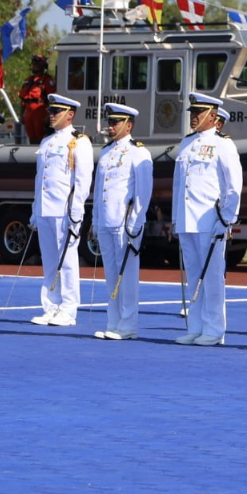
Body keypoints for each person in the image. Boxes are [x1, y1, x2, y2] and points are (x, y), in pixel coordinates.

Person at [171, 92, 242, 346]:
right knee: (193, 276)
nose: (193, 117)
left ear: (213, 116)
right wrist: (176, 218)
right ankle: (196, 326)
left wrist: (225, 220)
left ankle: (214, 329)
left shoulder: (223, 144)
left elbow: (232, 186)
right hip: (187, 220)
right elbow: (179, 185)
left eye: (198, 113)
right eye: (192, 112)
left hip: (209, 220)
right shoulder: (186, 143)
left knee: (212, 277)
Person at [29, 94, 93, 327]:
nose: (52, 114)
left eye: (57, 111)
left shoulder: (79, 141)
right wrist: (36, 210)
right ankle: (51, 306)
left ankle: (68, 308)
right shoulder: (46, 141)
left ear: (70, 114)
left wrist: (76, 212)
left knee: (67, 260)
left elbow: (82, 181)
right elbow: (40, 179)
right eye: (51, 111)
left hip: (64, 210)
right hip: (46, 209)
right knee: (49, 260)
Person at [91, 103, 153, 340]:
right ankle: (113, 322)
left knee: (126, 275)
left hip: (125, 222)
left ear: (128, 125)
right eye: (110, 121)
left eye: (116, 122)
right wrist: (96, 222)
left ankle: (128, 325)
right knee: (110, 273)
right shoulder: (106, 152)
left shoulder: (138, 152)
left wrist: (135, 223)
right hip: (106, 221)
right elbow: (99, 191)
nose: (111, 125)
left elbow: (143, 193)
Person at [19, 54, 56, 144]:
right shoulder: (28, 80)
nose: (35, 65)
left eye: (37, 63)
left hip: (41, 113)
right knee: (32, 138)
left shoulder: (47, 80)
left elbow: (53, 99)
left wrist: (49, 115)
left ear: (43, 66)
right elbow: (23, 100)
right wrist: (21, 115)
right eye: (34, 63)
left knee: (42, 138)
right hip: (29, 114)